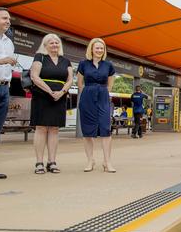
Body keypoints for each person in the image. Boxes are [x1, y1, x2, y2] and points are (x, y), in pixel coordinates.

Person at [29, 34, 73, 174]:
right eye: (51, 43)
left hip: (59, 97)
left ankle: (52, 162)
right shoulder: (40, 57)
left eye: (56, 43)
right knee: (41, 128)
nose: (54, 45)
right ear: (45, 45)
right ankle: (39, 162)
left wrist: (61, 92)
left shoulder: (66, 61)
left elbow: (70, 80)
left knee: (54, 129)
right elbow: (34, 76)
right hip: (42, 96)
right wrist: (49, 91)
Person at [77, 38, 116, 173]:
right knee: (88, 131)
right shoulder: (83, 64)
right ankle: (90, 160)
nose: (99, 50)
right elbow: (80, 83)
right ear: (91, 49)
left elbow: (110, 84)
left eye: (102, 48)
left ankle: (107, 162)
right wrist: (88, 93)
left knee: (105, 129)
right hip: (87, 97)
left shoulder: (108, 65)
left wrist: (103, 93)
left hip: (103, 97)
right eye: (97, 48)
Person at [0, 7, 15, 179]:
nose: (8, 21)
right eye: (4, 18)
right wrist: (3, 61)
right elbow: (3, 61)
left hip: (4, 88)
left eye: (8, 19)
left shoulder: (9, 42)